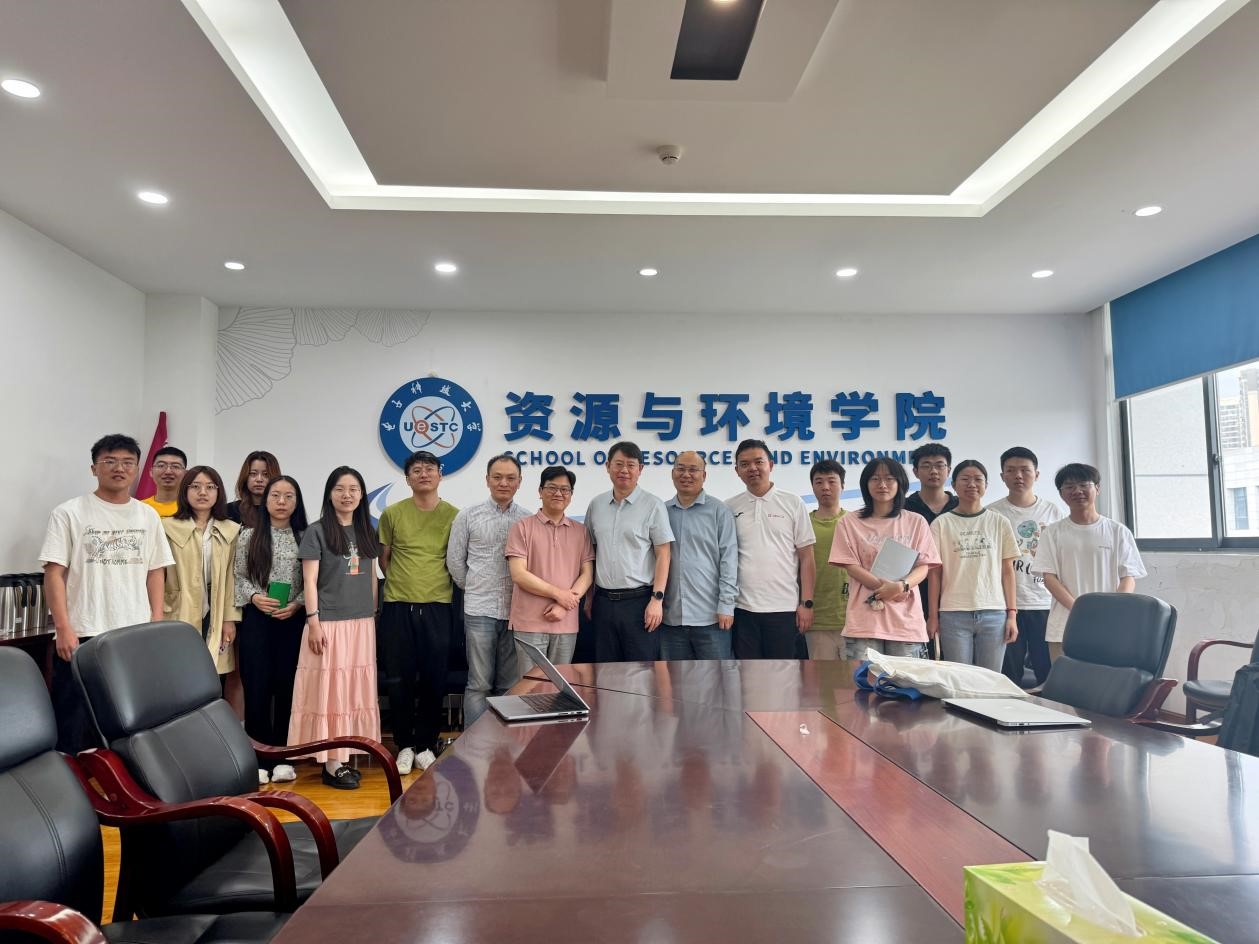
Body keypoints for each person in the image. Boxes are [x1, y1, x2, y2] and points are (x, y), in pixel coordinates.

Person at [38, 434, 173, 754]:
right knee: (73, 717)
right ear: (94, 468)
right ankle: (71, 776)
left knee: (127, 715)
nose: (119, 468)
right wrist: (63, 627)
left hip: (133, 633)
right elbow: (53, 573)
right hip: (83, 631)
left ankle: (122, 776)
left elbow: (156, 572)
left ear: (137, 470)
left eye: (127, 462)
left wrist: (156, 622)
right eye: (109, 461)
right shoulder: (68, 513)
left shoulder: (147, 515)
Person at [291, 466, 382, 790]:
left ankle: (343, 758)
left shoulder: (368, 531)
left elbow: (372, 577)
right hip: (328, 623)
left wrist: (372, 613)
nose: (347, 495)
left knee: (353, 691)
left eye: (354, 489)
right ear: (329, 494)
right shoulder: (316, 532)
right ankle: (330, 764)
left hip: (361, 623)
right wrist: (313, 621)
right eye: (340, 489)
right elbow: (310, 581)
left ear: (361, 495)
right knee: (331, 694)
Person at [378, 450, 459, 775]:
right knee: (399, 679)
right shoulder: (392, 514)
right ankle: (404, 745)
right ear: (407, 478)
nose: (423, 474)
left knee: (434, 678)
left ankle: (426, 744)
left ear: (440, 474)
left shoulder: (454, 515)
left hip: (438, 606)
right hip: (398, 606)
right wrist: (406, 584)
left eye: (429, 469)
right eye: (416, 470)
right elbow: (384, 558)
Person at [447, 455, 531, 727]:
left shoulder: (528, 519)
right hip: (479, 610)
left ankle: (503, 743)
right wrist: (474, 587)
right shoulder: (468, 515)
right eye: (497, 477)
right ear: (487, 480)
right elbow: (455, 561)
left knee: (509, 683)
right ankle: (475, 745)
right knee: (479, 683)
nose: (503, 483)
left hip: (515, 611)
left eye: (510, 478)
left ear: (519, 482)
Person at [1031, 463, 1146, 661]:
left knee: (1107, 678)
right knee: (1065, 679)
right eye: (1069, 487)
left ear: (1097, 488)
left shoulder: (1118, 531)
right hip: (1064, 626)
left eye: (1084, 485)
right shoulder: (1052, 533)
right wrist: (1080, 610)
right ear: (1061, 494)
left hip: (1109, 625)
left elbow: (1128, 576)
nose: (1077, 491)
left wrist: (1112, 608)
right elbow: (1049, 578)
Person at [235, 474, 308, 785]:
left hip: (292, 621)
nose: (281, 501)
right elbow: (238, 576)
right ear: (265, 501)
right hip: (257, 619)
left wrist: (298, 603)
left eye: (289, 496)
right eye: (275, 495)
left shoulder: (306, 536)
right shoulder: (249, 535)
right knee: (257, 689)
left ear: (297, 502)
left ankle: (282, 757)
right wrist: (255, 597)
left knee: (287, 688)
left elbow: (316, 580)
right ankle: (258, 758)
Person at [829, 458, 940, 660]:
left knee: (904, 680)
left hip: (905, 622)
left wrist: (901, 586)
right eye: (875, 479)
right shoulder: (849, 522)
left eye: (889, 479)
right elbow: (850, 565)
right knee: (865, 679)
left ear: (900, 483)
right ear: (865, 484)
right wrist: (886, 589)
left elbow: (924, 566)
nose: (882, 484)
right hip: (864, 621)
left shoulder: (915, 522)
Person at [584, 441, 673, 662]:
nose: (624, 470)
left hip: (640, 603)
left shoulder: (653, 505)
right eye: (618, 464)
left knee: (641, 670)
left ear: (640, 469)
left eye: (631, 465)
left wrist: (657, 600)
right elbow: (590, 552)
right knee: (605, 669)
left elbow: (664, 554)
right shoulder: (596, 505)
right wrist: (589, 597)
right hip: (603, 602)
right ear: (607, 466)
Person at [726, 439, 815, 659]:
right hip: (743, 609)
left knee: (784, 674)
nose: (752, 468)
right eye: (744, 464)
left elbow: (807, 558)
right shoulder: (729, 507)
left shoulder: (793, 503)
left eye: (759, 462)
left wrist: (807, 603)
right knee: (748, 674)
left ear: (771, 465)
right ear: (737, 471)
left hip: (784, 608)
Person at [927, 460, 1019, 672]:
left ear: (986, 485)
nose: (972, 484)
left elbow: (1008, 572)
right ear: (954, 485)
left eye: (978, 479)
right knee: (960, 679)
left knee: (991, 679)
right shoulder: (941, 523)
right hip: (953, 613)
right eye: (965, 479)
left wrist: (1012, 615)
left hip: (994, 613)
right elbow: (934, 574)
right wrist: (933, 616)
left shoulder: (999, 522)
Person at [987, 447, 1062, 686]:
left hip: (1045, 602)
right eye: (1011, 470)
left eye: (1025, 470)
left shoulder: (1052, 511)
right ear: (1002, 476)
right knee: (1009, 674)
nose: (1018, 476)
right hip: (1006, 605)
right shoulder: (992, 513)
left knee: (1048, 672)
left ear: (1036, 475)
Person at [506, 466, 595, 664]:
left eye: (565, 489)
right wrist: (559, 595)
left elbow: (587, 574)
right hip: (529, 623)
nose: (558, 493)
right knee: (530, 681)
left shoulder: (581, 531)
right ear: (540, 491)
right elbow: (519, 574)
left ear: (571, 495)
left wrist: (564, 604)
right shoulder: (522, 527)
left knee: (560, 681)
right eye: (552, 488)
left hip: (566, 621)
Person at [161, 465, 242, 682]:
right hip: (179, 609)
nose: (202, 492)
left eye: (210, 487)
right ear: (185, 491)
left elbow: (232, 578)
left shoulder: (231, 530)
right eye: (195, 486)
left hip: (215, 611)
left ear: (218, 492)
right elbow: (158, 576)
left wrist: (229, 619)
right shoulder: (167, 527)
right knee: (179, 674)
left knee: (213, 674)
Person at [660, 451, 738, 661]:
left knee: (717, 678)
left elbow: (729, 560)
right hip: (671, 619)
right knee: (675, 679)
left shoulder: (719, 511)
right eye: (681, 469)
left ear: (704, 475)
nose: (686, 474)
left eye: (693, 470)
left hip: (711, 618)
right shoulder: (662, 512)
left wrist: (727, 605)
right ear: (672, 473)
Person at [904, 443, 957, 644]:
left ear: (948, 470)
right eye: (926, 465)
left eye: (939, 465)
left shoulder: (960, 507)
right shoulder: (904, 508)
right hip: (915, 587)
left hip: (955, 588)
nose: (933, 471)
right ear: (915, 472)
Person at [806, 459, 849, 660]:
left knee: (856, 676)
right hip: (817, 619)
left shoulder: (855, 522)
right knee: (822, 679)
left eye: (832, 481)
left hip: (853, 620)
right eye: (819, 482)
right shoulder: (803, 524)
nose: (825, 487)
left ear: (843, 485)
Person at [226, 451, 281, 528]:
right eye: (253, 473)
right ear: (245, 477)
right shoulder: (229, 511)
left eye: (266, 474)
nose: (259, 479)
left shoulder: (282, 510)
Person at [141, 445, 187, 517]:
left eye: (175, 466)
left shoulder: (193, 508)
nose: (168, 472)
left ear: (185, 473)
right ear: (151, 472)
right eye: (161, 465)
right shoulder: (140, 508)